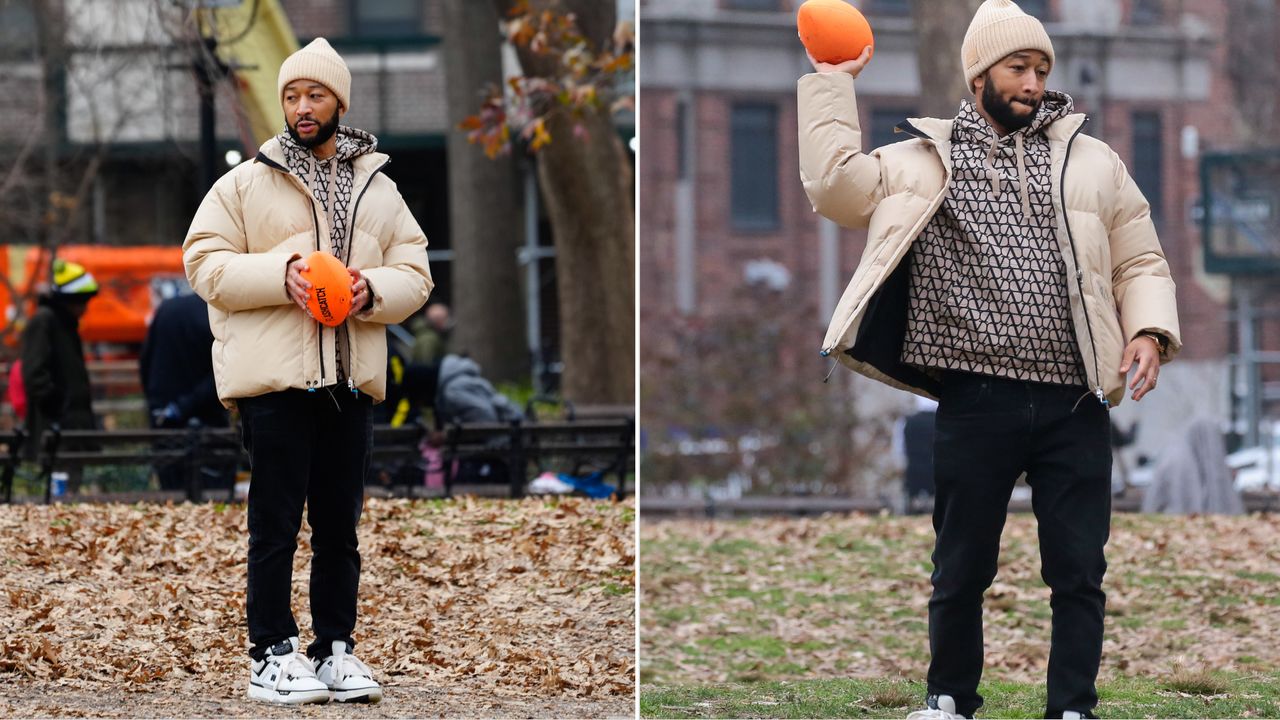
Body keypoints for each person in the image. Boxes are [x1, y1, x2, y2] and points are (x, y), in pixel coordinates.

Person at [797, 2, 1181, 718]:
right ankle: (948, 702)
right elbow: (834, 188)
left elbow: (1141, 256)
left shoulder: (1094, 162)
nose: (1033, 82)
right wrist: (830, 82)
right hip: (976, 399)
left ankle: (1073, 708)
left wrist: (1149, 332)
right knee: (961, 566)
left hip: (1075, 400)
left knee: (1077, 570)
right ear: (978, 75)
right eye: (1018, 67)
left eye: (1042, 69)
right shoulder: (921, 161)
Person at [183, 38, 433, 705]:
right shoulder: (245, 183)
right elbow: (202, 262)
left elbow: (417, 273)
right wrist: (281, 274)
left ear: (338, 102)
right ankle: (270, 654)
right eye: (292, 95)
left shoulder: (379, 189)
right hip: (276, 386)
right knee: (274, 526)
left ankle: (335, 651)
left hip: (350, 385)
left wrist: (368, 292)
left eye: (314, 94)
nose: (301, 106)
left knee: (339, 529)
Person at [139, 292, 229, 492]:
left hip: (163, 414)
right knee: (212, 489)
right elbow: (222, 373)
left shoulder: (166, 309)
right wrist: (183, 406)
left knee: (171, 488)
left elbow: (146, 359)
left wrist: (158, 404)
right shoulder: (216, 313)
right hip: (205, 417)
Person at [19, 260, 99, 478]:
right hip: (56, 426)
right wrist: (57, 405)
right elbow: (34, 373)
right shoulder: (45, 321)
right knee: (59, 488)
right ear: (70, 301)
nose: (85, 308)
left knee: (70, 485)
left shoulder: (64, 324)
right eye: (82, 302)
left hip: (70, 426)